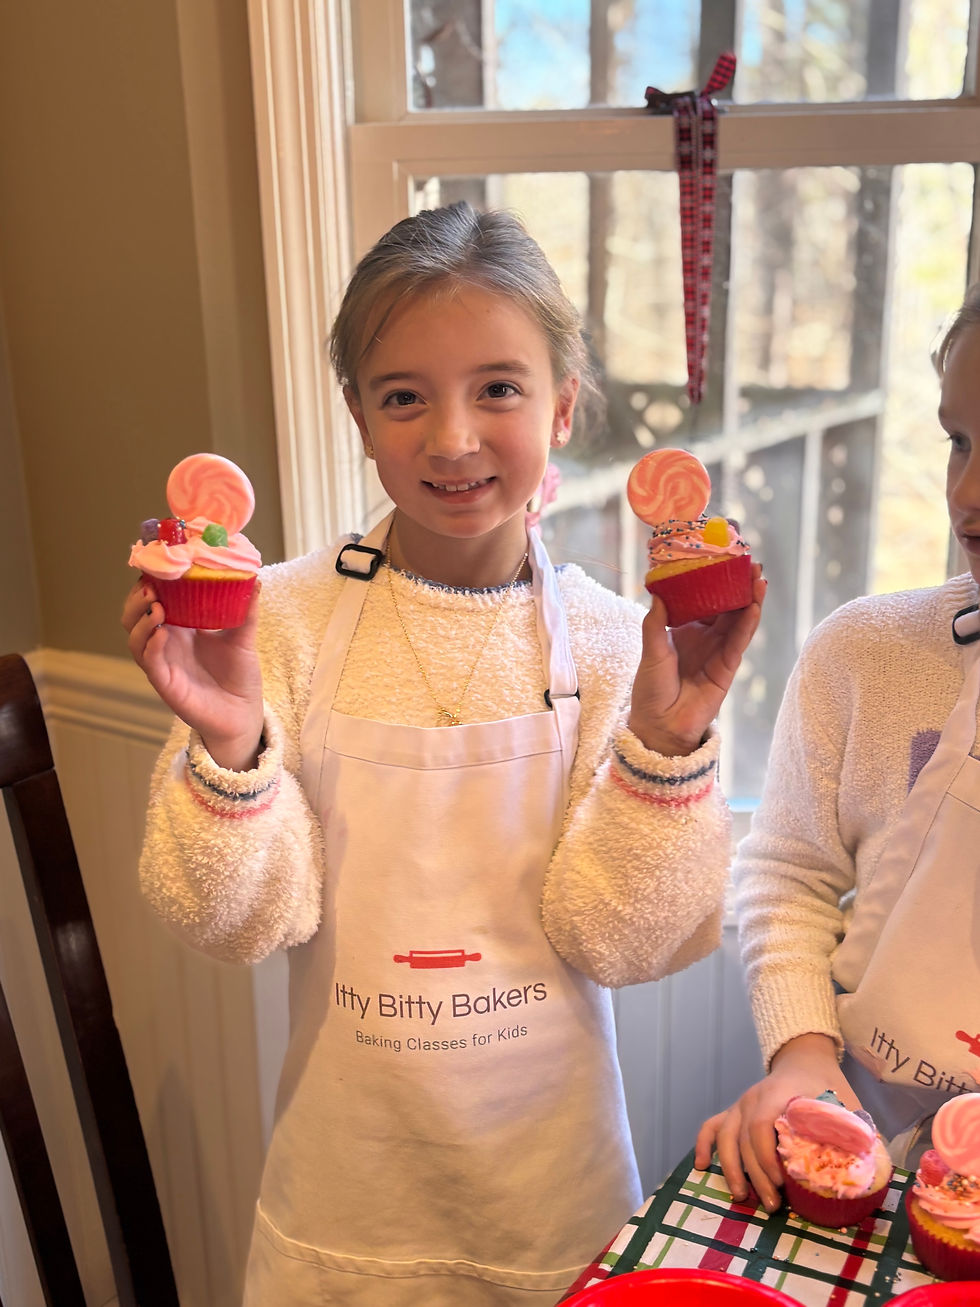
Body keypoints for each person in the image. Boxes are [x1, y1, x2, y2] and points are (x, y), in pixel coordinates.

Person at [122, 200, 765, 1306]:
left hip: (547, 1201)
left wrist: (665, 743)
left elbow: (622, 941)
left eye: (498, 388)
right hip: (343, 1209)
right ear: (359, 419)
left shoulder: (621, 642)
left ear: (564, 406)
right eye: (404, 396)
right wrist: (229, 742)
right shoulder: (271, 623)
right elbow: (236, 922)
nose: (452, 437)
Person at [695, 281, 980, 1215]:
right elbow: (790, 872)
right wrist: (802, 1055)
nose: (968, 497)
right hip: (856, 1120)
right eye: (960, 441)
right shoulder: (867, 655)